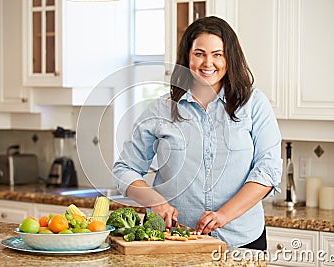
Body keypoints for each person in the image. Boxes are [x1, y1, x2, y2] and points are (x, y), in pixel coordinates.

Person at [112, 16, 282, 250]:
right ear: (187, 57)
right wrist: (156, 202)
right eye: (199, 53)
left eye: (217, 54)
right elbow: (125, 169)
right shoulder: (161, 110)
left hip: (242, 240)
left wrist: (224, 215)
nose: (208, 63)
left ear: (229, 58)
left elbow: (268, 170)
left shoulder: (254, 104)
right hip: (174, 241)